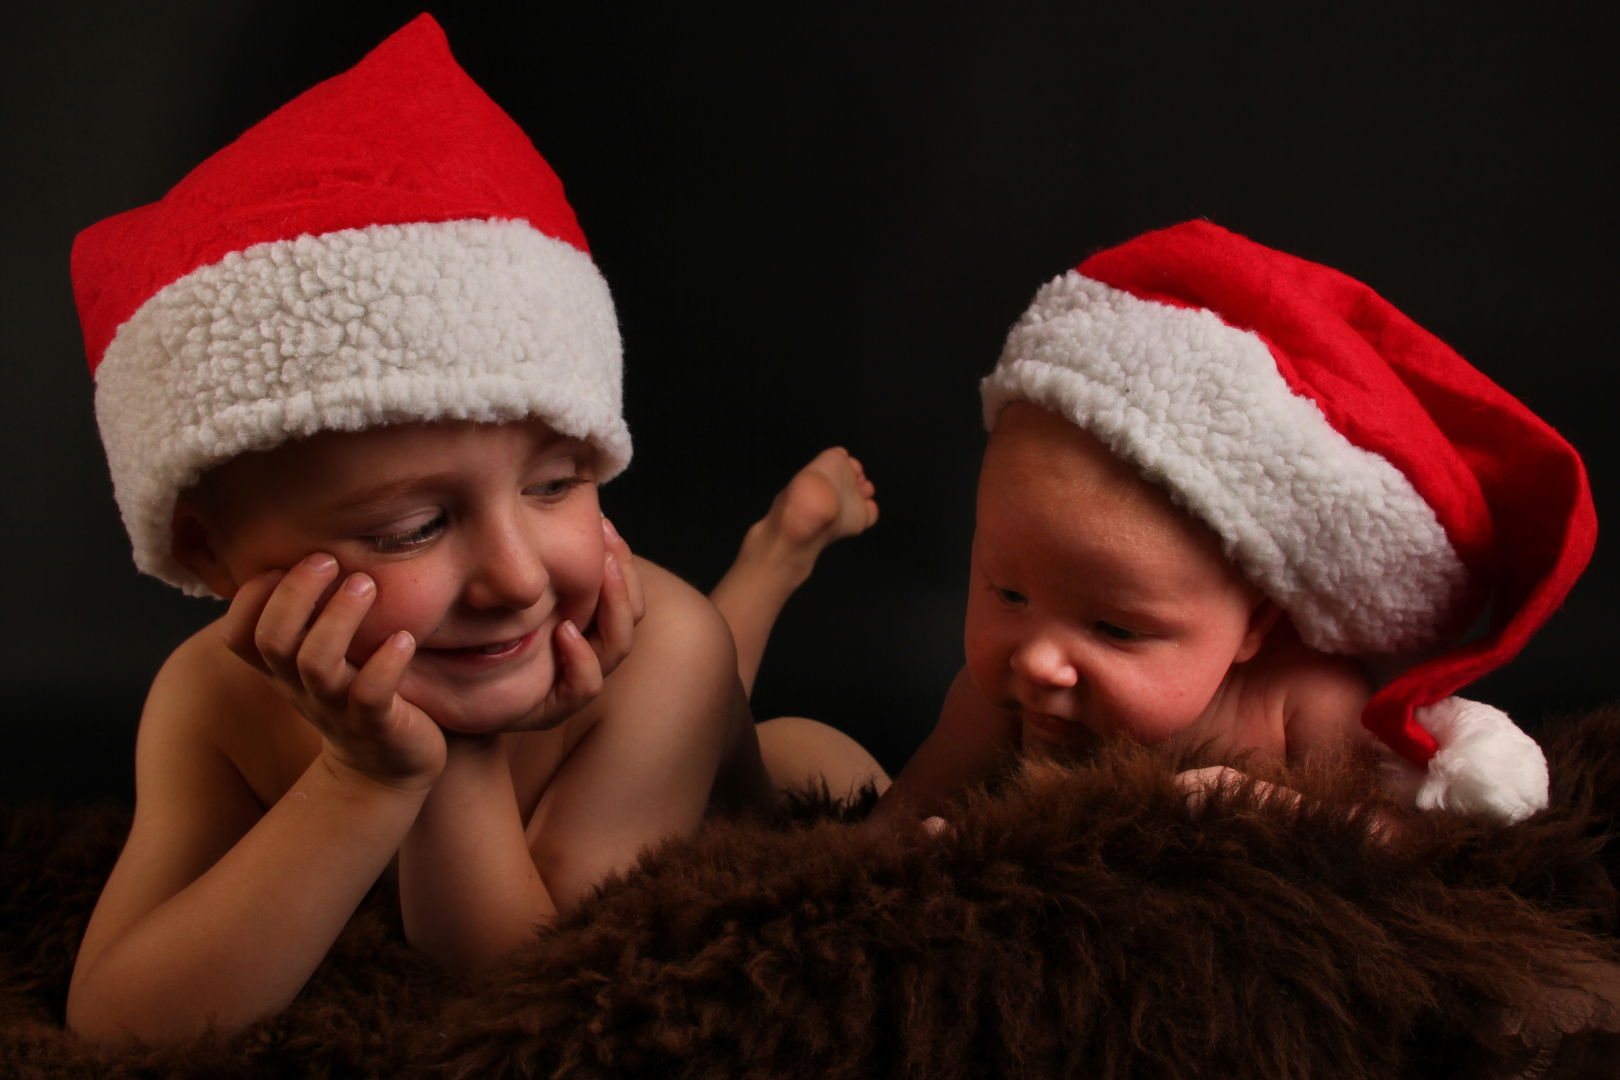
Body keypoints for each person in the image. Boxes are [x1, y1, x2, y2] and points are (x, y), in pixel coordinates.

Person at [64, 16, 881, 1048]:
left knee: (804, 756)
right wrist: (363, 781)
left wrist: (452, 755)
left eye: (556, 482)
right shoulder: (210, 698)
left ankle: (773, 562)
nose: (514, 577)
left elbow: (532, 979)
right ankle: (769, 558)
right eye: (413, 527)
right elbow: (121, 1024)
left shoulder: (655, 649)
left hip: (721, 768)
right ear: (206, 553)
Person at [872, 221, 1595, 832]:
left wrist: (1275, 809)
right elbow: (892, 830)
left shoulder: (1302, 704)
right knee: (800, 750)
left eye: (1116, 630)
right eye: (1007, 593)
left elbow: (1403, 849)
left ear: (1256, 621)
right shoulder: (993, 703)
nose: (1036, 661)